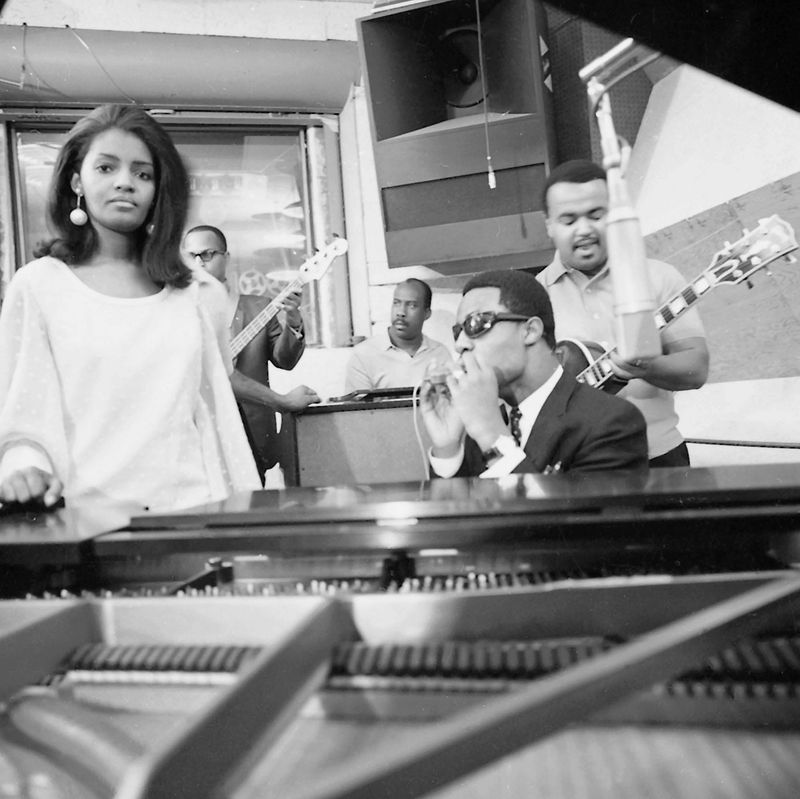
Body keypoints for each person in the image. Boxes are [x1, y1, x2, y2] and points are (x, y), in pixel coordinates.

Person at [0, 104, 261, 512]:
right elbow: (21, 416)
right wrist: (22, 468)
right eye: (106, 168)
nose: (126, 183)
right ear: (76, 180)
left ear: (159, 190)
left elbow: (216, 421)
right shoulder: (39, 287)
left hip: (193, 521)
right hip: (85, 530)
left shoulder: (195, 294)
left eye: (143, 173)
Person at [537, 159, 709, 467]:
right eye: (568, 219)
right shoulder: (533, 297)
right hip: (571, 466)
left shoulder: (658, 277)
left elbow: (696, 368)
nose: (585, 229)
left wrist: (647, 366)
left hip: (657, 456)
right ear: (549, 224)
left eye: (596, 215)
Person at [419, 269, 648, 477]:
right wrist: (448, 447)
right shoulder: (485, 420)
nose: (460, 344)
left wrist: (493, 437)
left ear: (530, 330)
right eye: (457, 330)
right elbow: (456, 520)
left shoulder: (610, 422)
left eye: (476, 323)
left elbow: (573, 523)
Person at [182, 226, 320, 483]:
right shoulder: (178, 311)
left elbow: (285, 361)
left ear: (227, 258)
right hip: (196, 434)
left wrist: (293, 320)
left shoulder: (257, 307)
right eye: (192, 256)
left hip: (253, 429)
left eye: (208, 254)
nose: (199, 262)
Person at [344, 278, 452, 392]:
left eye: (412, 305)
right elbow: (357, 408)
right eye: (396, 303)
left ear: (427, 314)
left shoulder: (440, 354)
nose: (401, 312)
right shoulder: (363, 355)